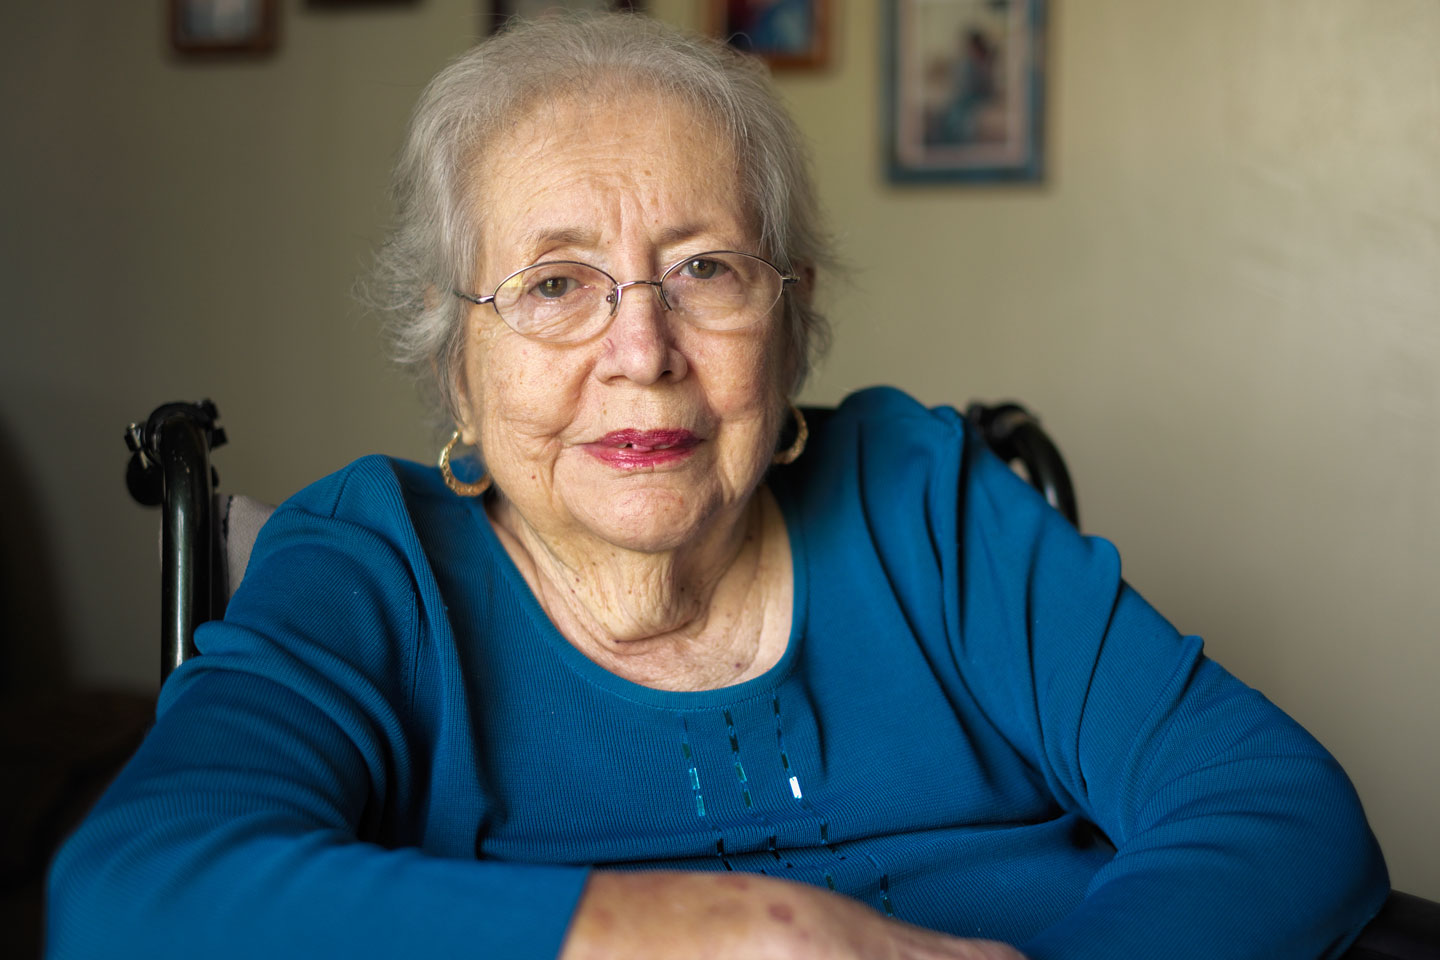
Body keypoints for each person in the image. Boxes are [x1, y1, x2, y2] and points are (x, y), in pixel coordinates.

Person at [48, 14, 1388, 960]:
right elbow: (131, 900)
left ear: (790, 327)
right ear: (457, 359)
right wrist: (713, 933)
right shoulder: (373, 565)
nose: (642, 352)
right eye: (555, 285)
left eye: (704, 268)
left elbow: (1276, 808)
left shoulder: (925, 501)